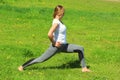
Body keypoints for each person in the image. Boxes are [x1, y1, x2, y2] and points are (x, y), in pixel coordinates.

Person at [18, 5, 91, 72]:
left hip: (64, 46)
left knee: (80, 48)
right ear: (59, 13)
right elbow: (49, 34)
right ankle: (22, 66)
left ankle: (84, 68)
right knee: (41, 59)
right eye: (63, 12)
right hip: (56, 46)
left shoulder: (59, 21)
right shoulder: (56, 22)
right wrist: (54, 43)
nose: (63, 14)